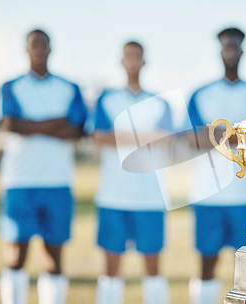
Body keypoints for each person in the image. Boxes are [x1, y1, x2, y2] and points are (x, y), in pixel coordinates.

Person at [0, 29, 87, 304]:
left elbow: (76, 130)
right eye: (33, 45)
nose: (38, 50)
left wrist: (29, 125)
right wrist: (56, 122)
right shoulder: (10, 86)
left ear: (50, 48)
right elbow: (10, 124)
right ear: (25, 49)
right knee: (16, 256)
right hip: (19, 182)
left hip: (58, 182)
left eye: (43, 45)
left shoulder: (70, 87)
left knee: (54, 257)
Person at [185, 27, 246, 304]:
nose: (230, 52)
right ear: (220, 52)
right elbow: (193, 140)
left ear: (242, 51)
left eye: (235, 47)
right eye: (226, 47)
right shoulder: (201, 94)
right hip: (208, 193)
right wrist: (239, 133)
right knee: (206, 263)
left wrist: (216, 133)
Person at [89, 41, 173, 304]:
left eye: (137, 57)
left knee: (153, 269)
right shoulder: (107, 98)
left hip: (150, 197)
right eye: (128, 57)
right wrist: (146, 136)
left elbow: (167, 139)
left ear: (144, 61)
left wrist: (122, 135)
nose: (133, 61)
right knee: (112, 269)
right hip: (113, 196)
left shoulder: (160, 102)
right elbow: (98, 137)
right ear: (121, 61)